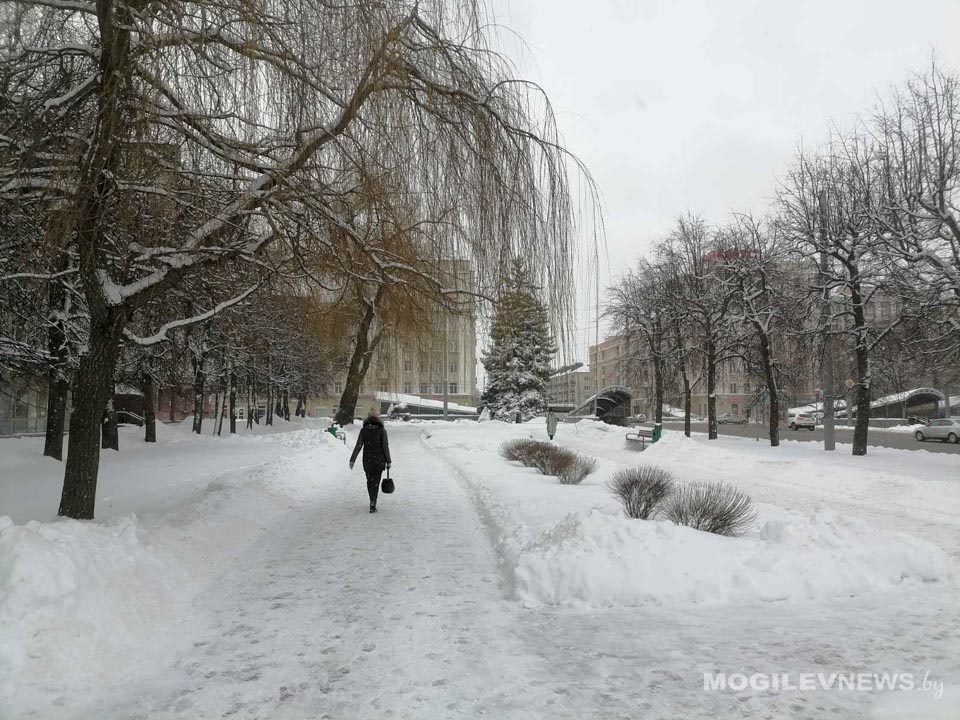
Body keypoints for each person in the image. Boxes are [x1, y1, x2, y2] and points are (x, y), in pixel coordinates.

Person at [349, 409, 392, 513]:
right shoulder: (382, 430)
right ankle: (373, 502)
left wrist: (352, 459)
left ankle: (371, 499)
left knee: (369, 481)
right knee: (376, 481)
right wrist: (388, 461)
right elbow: (385, 447)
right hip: (379, 460)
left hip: (367, 459)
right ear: (378, 419)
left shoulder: (364, 430)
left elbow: (358, 445)